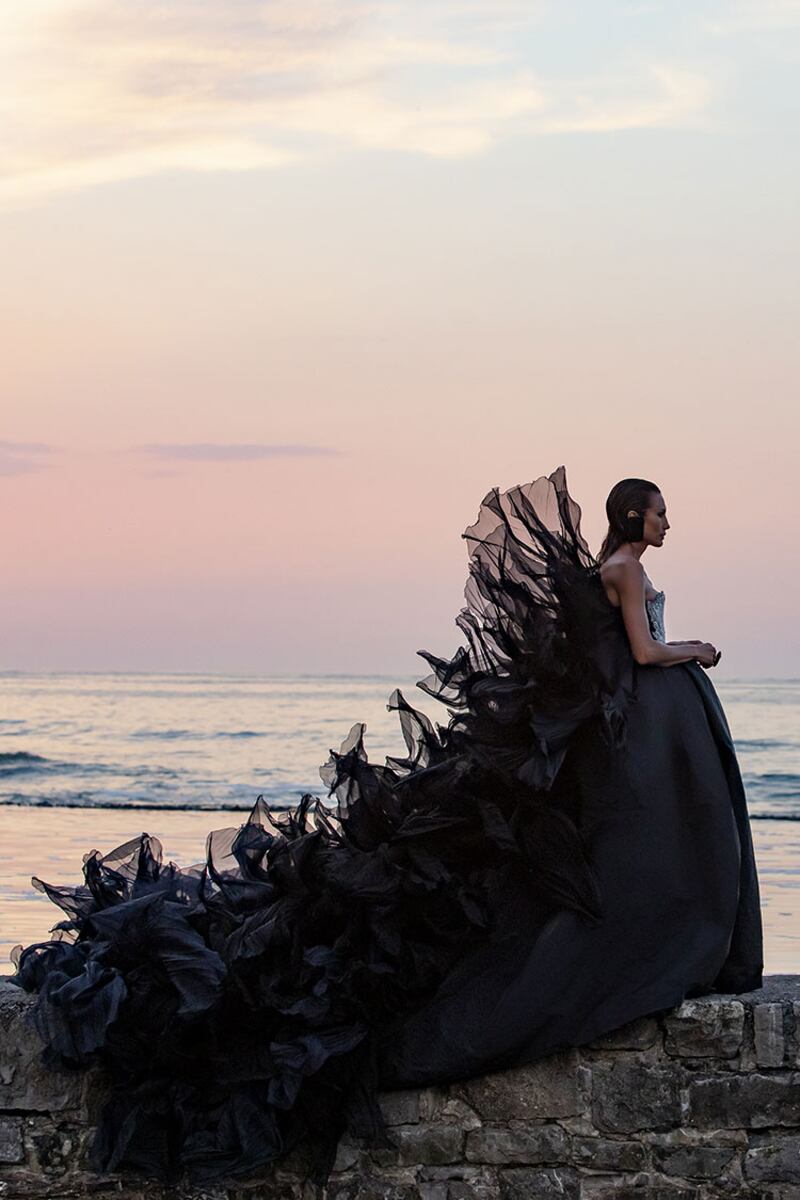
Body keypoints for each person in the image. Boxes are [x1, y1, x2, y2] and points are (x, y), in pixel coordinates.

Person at [11, 467, 763, 1187]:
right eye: (661, 510)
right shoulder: (626, 571)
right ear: (635, 516)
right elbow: (641, 651)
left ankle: (680, 943)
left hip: (653, 726)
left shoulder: (618, 568)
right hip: (653, 716)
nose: (670, 521)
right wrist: (695, 649)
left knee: (662, 842)